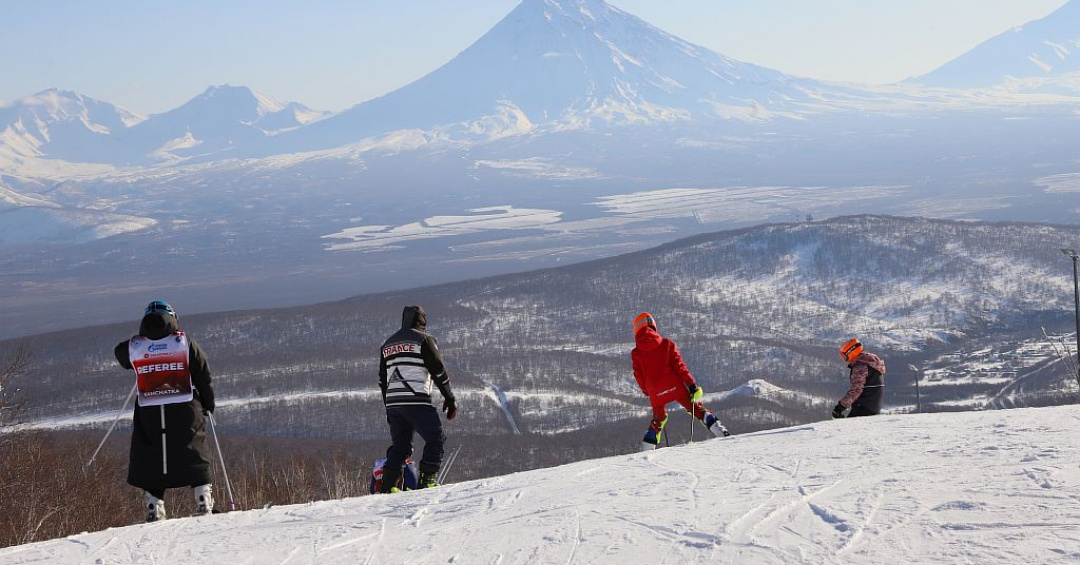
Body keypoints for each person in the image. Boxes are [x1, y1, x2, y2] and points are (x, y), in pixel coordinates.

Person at [114, 301, 216, 521]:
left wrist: (142, 345)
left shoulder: (136, 345)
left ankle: (154, 505)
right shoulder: (183, 341)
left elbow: (120, 355)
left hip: (149, 410)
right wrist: (208, 403)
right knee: (194, 446)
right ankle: (203, 498)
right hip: (186, 407)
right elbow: (203, 371)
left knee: (149, 453)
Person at [378, 305, 457, 492]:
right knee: (436, 438)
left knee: (401, 446)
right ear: (422, 321)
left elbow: (383, 380)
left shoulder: (387, 344)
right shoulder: (424, 340)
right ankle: (427, 480)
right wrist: (450, 398)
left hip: (394, 404)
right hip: (417, 400)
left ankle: (388, 486)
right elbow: (438, 371)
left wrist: (388, 408)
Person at [631, 312, 729, 451]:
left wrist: (647, 391)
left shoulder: (636, 353)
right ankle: (720, 431)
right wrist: (692, 385)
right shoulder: (667, 344)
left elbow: (639, 376)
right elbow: (680, 367)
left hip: (655, 392)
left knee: (658, 419)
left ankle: (647, 448)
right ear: (653, 325)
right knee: (694, 408)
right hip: (675, 387)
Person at [832, 338, 886, 418]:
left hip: (863, 408)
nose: (843, 359)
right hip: (874, 407)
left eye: (844, 355)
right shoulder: (872, 364)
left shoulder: (860, 367)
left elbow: (856, 390)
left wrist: (840, 407)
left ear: (850, 352)